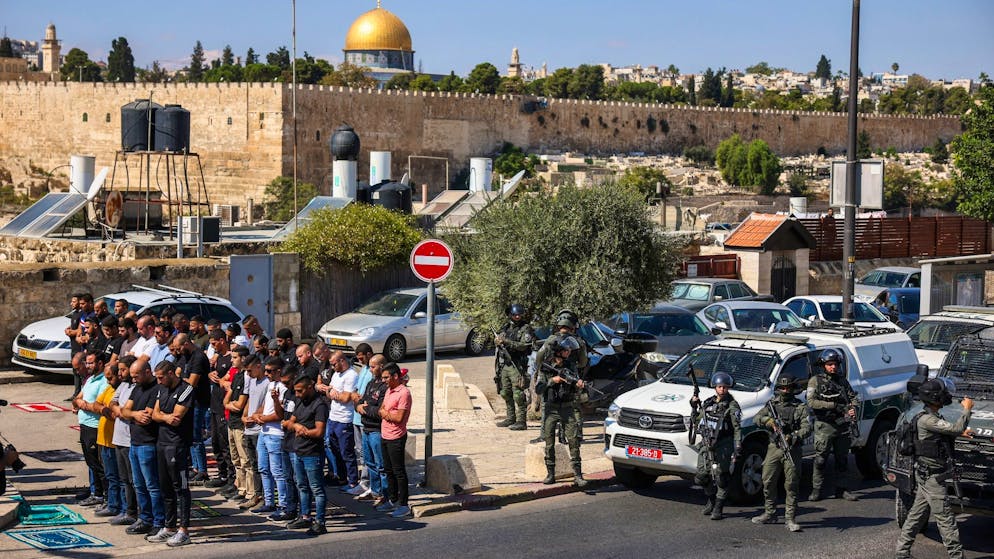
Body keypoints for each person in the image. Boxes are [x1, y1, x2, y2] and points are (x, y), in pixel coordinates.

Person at [896, 379, 974, 559]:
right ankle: (957, 556)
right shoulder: (928, 419)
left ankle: (901, 552)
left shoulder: (928, 416)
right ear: (935, 398)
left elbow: (946, 432)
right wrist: (967, 408)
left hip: (926, 475)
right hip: (933, 478)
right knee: (946, 519)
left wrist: (959, 433)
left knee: (916, 516)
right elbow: (956, 426)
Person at [752, 375, 811, 532]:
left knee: (791, 483)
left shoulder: (800, 407)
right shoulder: (772, 405)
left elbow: (807, 428)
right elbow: (756, 418)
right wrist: (769, 422)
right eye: (782, 388)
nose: (785, 391)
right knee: (767, 480)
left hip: (792, 448)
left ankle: (790, 518)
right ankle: (770, 512)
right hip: (774, 447)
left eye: (788, 388)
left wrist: (793, 436)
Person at [149, 359, 194, 546]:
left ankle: (184, 530)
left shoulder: (186, 389)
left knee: (180, 487)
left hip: (178, 445)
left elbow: (178, 417)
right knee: (165, 486)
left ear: (170, 374)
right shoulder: (161, 388)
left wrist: (163, 417)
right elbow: (154, 414)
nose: (158, 382)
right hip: (162, 443)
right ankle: (169, 527)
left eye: (161, 377)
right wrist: (165, 417)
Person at [806, 349, 860, 501]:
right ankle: (816, 489)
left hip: (842, 425)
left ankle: (842, 489)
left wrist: (852, 409)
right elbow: (811, 402)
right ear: (824, 365)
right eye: (830, 364)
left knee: (842, 459)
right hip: (825, 425)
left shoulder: (842, 381)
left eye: (835, 364)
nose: (833, 367)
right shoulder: (815, 381)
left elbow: (853, 397)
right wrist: (833, 406)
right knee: (821, 459)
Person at [535, 335, 587, 487]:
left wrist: (579, 384)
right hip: (551, 410)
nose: (569, 352)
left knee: (573, 441)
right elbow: (539, 388)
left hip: (567, 408)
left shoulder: (570, 366)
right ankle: (550, 474)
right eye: (566, 350)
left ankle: (578, 475)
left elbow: (576, 382)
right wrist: (553, 381)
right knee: (549, 443)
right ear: (558, 351)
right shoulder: (546, 367)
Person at [121, 356, 165, 537]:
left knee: (152, 485)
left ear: (148, 372)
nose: (133, 380)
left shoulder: (156, 389)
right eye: (132, 376)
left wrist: (134, 414)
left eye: (136, 376)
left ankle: (158, 520)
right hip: (134, 443)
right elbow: (125, 411)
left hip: (148, 444)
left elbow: (146, 416)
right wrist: (134, 414)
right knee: (138, 484)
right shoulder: (137, 388)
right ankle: (144, 518)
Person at [690, 372, 741, 520]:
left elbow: (737, 427)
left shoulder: (732, 406)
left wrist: (737, 445)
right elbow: (696, 420)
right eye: (719, 387)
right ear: (715, 387)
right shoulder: (707, 403)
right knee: (701, 476)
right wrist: (694, 406)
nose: (722, 390)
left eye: (725, 387)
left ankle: (718, 507)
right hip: (707, 443)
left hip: (723, 444)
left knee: (721, 478)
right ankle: (711, 499)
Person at [286, 376, 329, 535]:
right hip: (298, 451)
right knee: (301, 486)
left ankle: (320, 521)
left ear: (310, 387)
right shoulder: (300, 401)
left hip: (312, 453)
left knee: (316, 488)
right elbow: (289, 422)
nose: (297, 394)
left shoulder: (319, 405)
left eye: (300, 391)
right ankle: (305, 516)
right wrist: (297, 426)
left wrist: (304, 431)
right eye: (295, 391)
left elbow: (319, 431)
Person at [250, 358, 292, 520]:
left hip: (275, 434)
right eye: (266, 371)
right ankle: (269, 501)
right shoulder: (271, 385)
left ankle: (283, 504)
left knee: (277, 472)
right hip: (264, 432)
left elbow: (280, 413)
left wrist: (263, 418)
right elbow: (264, 406)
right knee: (263, 468)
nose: (266, 374)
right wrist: (256, 414)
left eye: (270, 371)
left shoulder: (282, 387)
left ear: (279, 371)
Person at [171, 333, 212, 485]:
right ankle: (195, 467)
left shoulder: (198, 357)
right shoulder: (184, 357)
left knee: (196, 437)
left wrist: (179, 378)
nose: (178, 351)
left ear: (187, 343)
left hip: (198, 402)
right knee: (190, 436)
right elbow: (178, 373)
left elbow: (192, 383)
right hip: (187, 402)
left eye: (179, 347)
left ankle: (202, 470)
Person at [73, 351, 109, 507]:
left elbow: (100, 406)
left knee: (99, 464)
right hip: (84, 425)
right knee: (90, 462)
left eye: (90, 363)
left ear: (100, 363)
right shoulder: (90, 379)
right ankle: (96, 493)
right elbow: (77, 398)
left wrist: (83, 405)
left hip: (95, 427)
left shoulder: (104, 381)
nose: (87, 365)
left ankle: (106, 497)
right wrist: (80, 403)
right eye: (86, 363)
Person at [377, 362, 413, 518]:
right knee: (388, 470)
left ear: (395, 376)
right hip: (385, 435)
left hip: (396, 437)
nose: (383, 380)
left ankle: (404, 504)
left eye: (386, 377)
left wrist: (385, 414)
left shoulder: (403, 393)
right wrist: (385, 413)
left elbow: (398, 417)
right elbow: (381, 409)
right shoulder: (388, 390)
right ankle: (392, 499)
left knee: (399, 471)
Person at [108, 356, 138, 527]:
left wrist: (122, 410)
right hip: (118, 438)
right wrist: (119, 409)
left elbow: (129, 410)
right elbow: (113, 402)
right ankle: (127, 510)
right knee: (123, 478)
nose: (120, 373)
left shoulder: (137, 388)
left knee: (134, 480)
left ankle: (135, 512)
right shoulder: (122, 385)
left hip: (129, 440)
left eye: (123, 370)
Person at [494, 303, 534, 430]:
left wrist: (506, 342)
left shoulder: (525, 328)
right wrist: (497, 341)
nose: (517, 317)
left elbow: (524, 346)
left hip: (517, 365)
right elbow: (499, 339)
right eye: (515, 315)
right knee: (505, 392)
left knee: (518, 393)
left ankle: (521, 421)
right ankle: (510, 418)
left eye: (519, 315)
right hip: (505, 364)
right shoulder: (506, 327)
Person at [324, 351, 360, 493]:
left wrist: (334, 394)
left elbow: (346, 398)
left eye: (334, 364)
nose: (333, 368)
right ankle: (342, 478)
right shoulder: (336, 374)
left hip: (345, 419)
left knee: (347, 452)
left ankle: (352, 481)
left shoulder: (351, 375)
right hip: (333, 418)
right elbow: (328, 391)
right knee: (335, 450)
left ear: (342, 361)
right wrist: (333, 393)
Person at [355, 354, 388, 503]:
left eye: (373, 367)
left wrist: (366, 409)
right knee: (370, 463)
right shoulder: (370, 383)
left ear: (381, 366)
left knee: (381, 465)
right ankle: (374, 491)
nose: (371, 370)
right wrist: (360, 406)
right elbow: (360, 401)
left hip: (377, 430)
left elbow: (379, 410)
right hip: (366, 428)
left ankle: (385, 494)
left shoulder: (385, 386)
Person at [93, 362, 124, 520]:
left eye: (110, 378)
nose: (108, 381)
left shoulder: (122, 389)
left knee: (119, 477)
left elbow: (115, 414)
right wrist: (104, 409)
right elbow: (96, 404)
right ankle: (112, 504)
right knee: (110, 475)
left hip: (115, 441)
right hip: (103, 439)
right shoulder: (109, 388)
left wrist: (105, 410)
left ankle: (120, 507)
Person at [205, 331, 235, 490]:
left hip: (225, 406)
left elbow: (230, 379)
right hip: (215, 404)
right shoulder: (217, 358)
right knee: (215, 442)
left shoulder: (231, 358)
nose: (212, 346)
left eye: (214, 343)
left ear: (222, 341)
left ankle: (232, 478)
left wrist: (223, 380)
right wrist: (211, 373)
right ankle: (222, 473)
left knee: (225, 444)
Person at [238, 353, 268, 510]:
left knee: (263, 466)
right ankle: (256, 494)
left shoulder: (267, 382)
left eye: (250, 371)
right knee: (253, 465)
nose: (248, 374)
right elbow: (250, 400)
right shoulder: (253, 381)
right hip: (249, 429)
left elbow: (266, 403)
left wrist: (256, 415)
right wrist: (244, 416)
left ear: (258, 366)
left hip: (259, 429)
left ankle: (265, 496)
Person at [350, 343, 375, 495]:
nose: (361, 360)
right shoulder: (363, 369)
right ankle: (364, 481)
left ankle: (369, 482)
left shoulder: (372, 371)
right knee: (360, 452)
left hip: (365, 418)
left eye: (362, 357)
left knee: (368, 453)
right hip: (356, 417)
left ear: (369, 354)